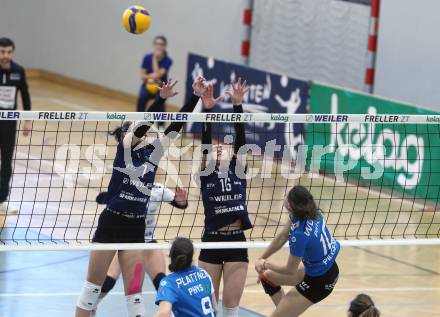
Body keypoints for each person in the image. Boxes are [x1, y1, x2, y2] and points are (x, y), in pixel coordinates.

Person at [75, 77, 207, 317]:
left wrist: (195, 96)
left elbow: (175, 128)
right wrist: (160, 100)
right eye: (135, 128)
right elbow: (143, 125)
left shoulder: (153, 154)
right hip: (111, 223)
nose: (143, 132)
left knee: (134, 296)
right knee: (91, 291)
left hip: (135, 228)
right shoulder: (124, 148)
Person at [197, 79, 252, 317]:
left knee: (231, 311)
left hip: (236, 243)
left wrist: (237, 106)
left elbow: (241, 139)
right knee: (208, 310)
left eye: (224, 147)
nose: (221, 147)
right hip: (211, 240)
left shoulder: (238, 170)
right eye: (217, 148)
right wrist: (207, 110)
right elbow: (206, 143)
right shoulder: (206, 173)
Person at [92, 183, 189, 315]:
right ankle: (91, 304)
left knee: (162, 284)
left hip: (148, 244)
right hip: (126, 244)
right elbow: (100, 198)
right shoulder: (127, 186)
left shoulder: (158, 190)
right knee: (108, 283)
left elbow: (180, 204)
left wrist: (181, 201)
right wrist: (109, 196)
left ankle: (173, 313)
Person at [254, 185, 340, 317]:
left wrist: (265, 264)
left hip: (319, 281)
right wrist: (261, 258)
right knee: (267, 277)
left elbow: (290, 270)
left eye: (286, 196)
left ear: (290, 204)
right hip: (323, 267)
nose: (284, 197)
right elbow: (282, 236)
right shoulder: (311, 212)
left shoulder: (299, 235)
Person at [0, 37, 32, 214]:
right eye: (2, 52)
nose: (6, 55)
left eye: (9, 52)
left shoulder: (18, 71)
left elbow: (25, 96)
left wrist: (28, 120)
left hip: (8, 124)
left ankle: (2, 200)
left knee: (6, 162)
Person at [155, 237, 217, 317]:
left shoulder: (169, 283)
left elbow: (164, 314)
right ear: (192, 256)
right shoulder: (204, 274)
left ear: (171, 255)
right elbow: (214, 307)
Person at [137, 36, 173, 124]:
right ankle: (137, 121)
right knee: (142, 97)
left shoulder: (168, 60)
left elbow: (158, 76)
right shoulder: (147, 57)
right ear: (153, 45)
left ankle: (160, 126)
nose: (158, 46)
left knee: (160, 102)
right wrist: (150, 76)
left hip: (160, 87)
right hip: (148, 85)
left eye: (161, 44)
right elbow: (142, 76)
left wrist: (155, 59)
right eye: (156, 44)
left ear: (164, 46)